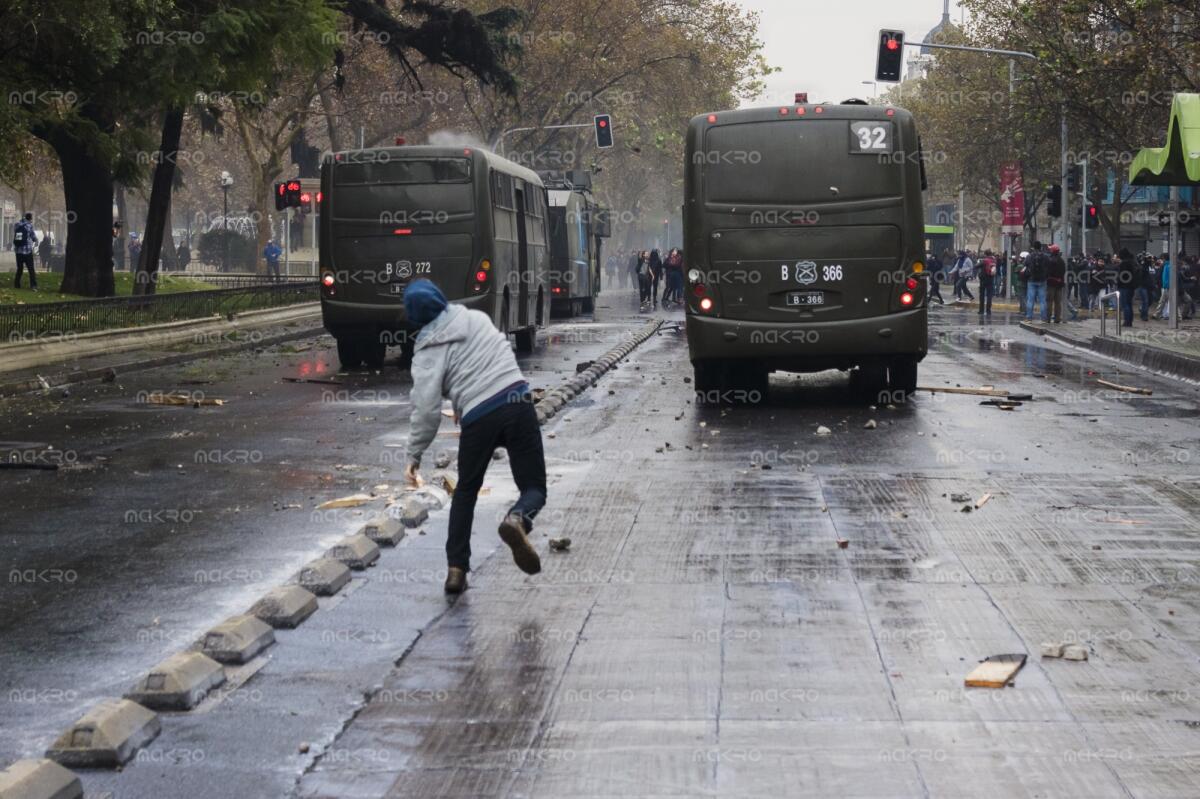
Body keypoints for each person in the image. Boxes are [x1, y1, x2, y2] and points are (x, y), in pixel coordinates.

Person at [401, 279, 544, 594]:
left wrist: (414, 456)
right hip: (517, 400)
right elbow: (504, 354)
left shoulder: (425, 352)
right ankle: (518, 519)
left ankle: (456, 570)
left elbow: (425, 410)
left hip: (478, 417)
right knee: (534, 487)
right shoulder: (476, 319)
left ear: (413, 318)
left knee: (465, 491)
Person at [1023, 241, 1049, 322]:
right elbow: (1048, 266)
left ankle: (1029, 317)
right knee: (1042, 300)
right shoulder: (1045, 256)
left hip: (1031, 280)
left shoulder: (1029, 256)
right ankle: (1044, 318)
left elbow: (1025, 264)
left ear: (1033, 247)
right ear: (1041, 247)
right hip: (1042, 280)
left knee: (1030, 300)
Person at [12, 212, 38, 290]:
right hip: (27, 251)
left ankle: (17, 284)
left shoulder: (17, 224)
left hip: (18, 251)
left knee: (19, 268)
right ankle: (33, 285)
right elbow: (33, 236)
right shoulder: (29, 226)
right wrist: (35, 240)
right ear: (30, 218)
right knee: (31, 269)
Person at [1045, 244, 1066, 323]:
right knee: (1058, 302)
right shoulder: (1061, 261)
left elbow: (1047, 272)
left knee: (1049, 301)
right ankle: (1057, 318)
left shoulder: (1049, 260)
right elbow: (1063, 272)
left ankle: (1048, 318)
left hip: (1051, 284)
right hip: (1059, 284)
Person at [977, 250, 996, 316]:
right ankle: (988, 311)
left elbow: (976, 266)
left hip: (983, 280)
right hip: (991, 279)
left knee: (982, 295)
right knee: (989, 296)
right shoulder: (993, 260)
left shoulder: (984, 261)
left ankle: (981, 310)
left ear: (985, 254)